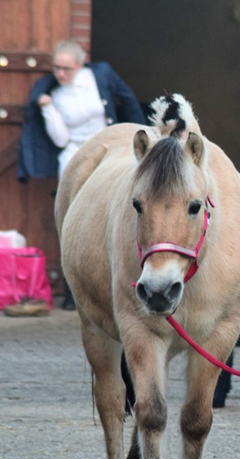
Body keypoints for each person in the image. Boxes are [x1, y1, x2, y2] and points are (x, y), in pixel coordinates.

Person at [18, 39, 146, 310]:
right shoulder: (52, 93)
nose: (60, 74)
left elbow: (128, 100)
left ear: (80, 64)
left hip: (108, 145)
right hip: (75, 151)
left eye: (66, 68)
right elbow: (60, 138)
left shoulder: (101, 75)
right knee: (70, 216)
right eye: (56, 68)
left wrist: (145, 135)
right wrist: (46, 107)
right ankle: (72, 290)